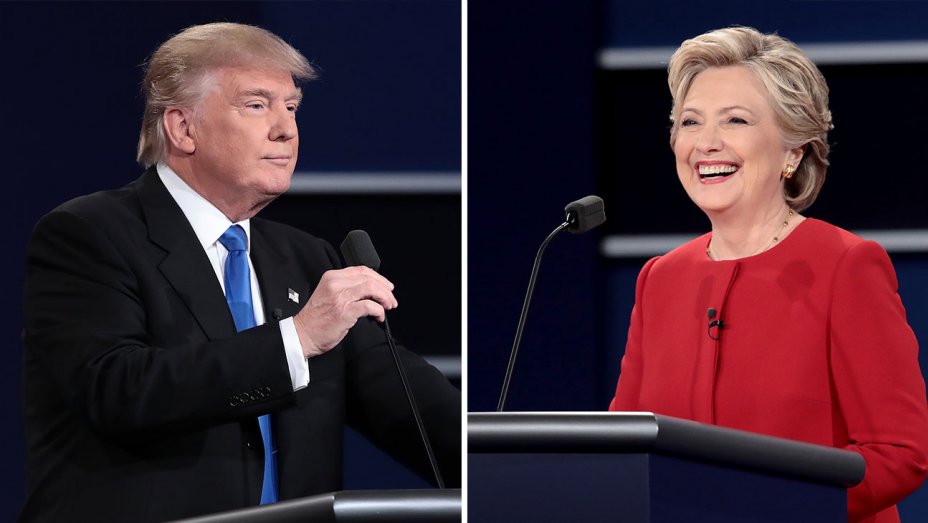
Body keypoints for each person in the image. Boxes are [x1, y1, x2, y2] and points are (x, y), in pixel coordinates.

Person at [20, 22, 460, 523]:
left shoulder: (307, 259)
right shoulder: (89, 233)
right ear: (182, 128)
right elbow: (116, 391)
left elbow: (411, 410)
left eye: (291, 107)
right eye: (256, 105)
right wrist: (295, 339)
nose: (286, 129)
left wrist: (512, 462)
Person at [608, 26, 928, 523]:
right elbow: (622, 450)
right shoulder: (660, 280)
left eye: (735, 120)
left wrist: (777, 507)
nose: (706, 143)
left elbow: (900, 453)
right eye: (690, 122)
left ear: (792, 151)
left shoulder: (845, 265)